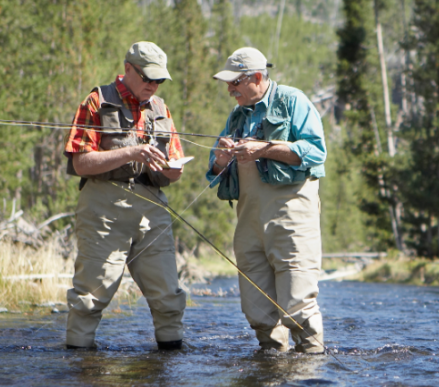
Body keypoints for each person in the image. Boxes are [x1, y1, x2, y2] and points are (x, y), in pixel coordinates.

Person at [63, 41, 188, 350]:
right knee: (90, 299)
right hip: (104, 206)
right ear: (128, 69)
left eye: (159, 80)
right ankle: (79, 375)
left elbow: (176, 170)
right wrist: (132, 152)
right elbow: (80, 162)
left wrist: (171, 168)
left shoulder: (160, 108)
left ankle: (170, 377)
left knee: (169, 298)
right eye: (148, 78)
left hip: (152, 207)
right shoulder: (97, 101)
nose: (154, 86)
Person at [207, 47, 327, 354]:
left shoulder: (292, 101)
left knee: (297, 308)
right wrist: (220, 160)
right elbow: (214, 172)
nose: (230, 89)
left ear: (257, 77)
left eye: (235, 82)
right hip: (249, 223)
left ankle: (307, 380)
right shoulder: (236, 116)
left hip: (292, 218)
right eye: (228, 83)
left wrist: (264, 149)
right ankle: (269, 381)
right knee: (258, 312)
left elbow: (315, 152)